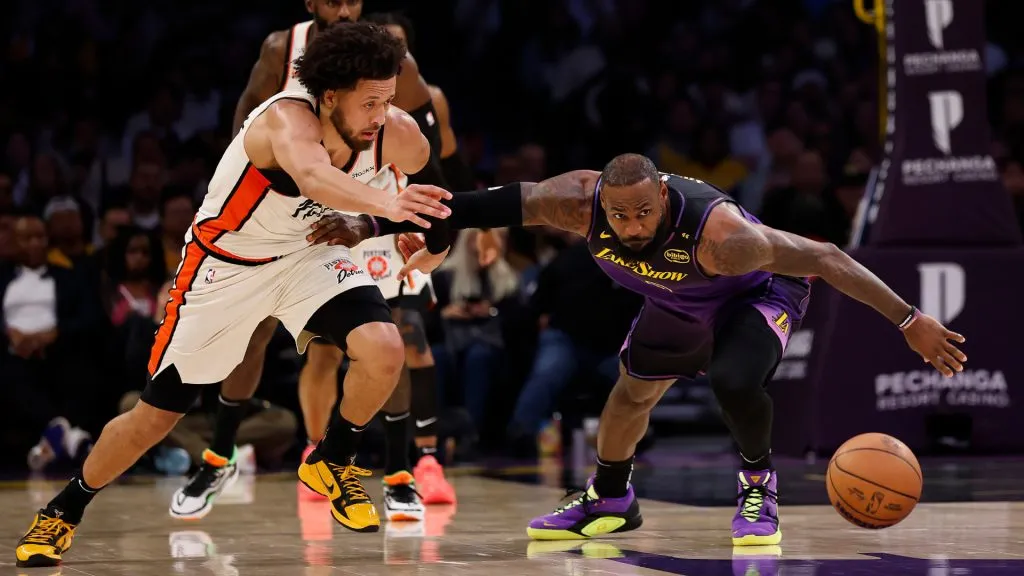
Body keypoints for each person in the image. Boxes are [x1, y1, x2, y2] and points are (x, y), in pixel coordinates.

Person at [313, 153, 967, 546]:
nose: (628, 227)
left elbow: (823, 257)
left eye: (641, 215)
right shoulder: (574, 201)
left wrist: (908, 318)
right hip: (678, 298)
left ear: (661, 198)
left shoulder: (725, 236)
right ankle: (611, 498)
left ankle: (758, 486)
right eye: (617, 216)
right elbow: (471, 207)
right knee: (630, 393)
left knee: (736, 379)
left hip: (757, 294)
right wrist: (372, 221)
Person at [15, 21, 452, 568]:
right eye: (371, 103)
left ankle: (334, 457)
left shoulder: (395, 131)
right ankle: (63, 509)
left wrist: (432, 241)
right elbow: (315, 178)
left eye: (388, 100)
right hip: (227, 265)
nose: (381, 116)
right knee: (155, 417)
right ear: (332, 96)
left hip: (306, 253)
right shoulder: (284, 119)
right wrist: (386, 212)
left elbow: (436, 194)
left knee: (385, 347)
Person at [208, 0, 458, 512]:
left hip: (384, 209)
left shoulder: (399, 80)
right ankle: (307, 453)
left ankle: (404, 469)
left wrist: (415, 224)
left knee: (401, 338)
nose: (343, 9)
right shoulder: (283, 52)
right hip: (311, 216)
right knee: (319, 350)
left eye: (353, 0)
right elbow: (246, 133)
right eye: (333, 0)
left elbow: (436, 165)